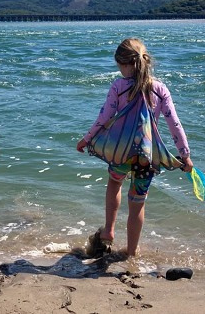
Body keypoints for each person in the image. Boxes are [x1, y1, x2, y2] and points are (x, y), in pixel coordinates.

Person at [76, 38, 193, 258]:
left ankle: (109, 230)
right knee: (137, 203)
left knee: (115, 183)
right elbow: (175, 124)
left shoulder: (118, 87)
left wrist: (86, 139)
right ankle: (131, 254)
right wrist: (185, 155)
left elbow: (104, 117)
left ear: (122, 63)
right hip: (146, 157)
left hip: (121, 153)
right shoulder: (160, 89)